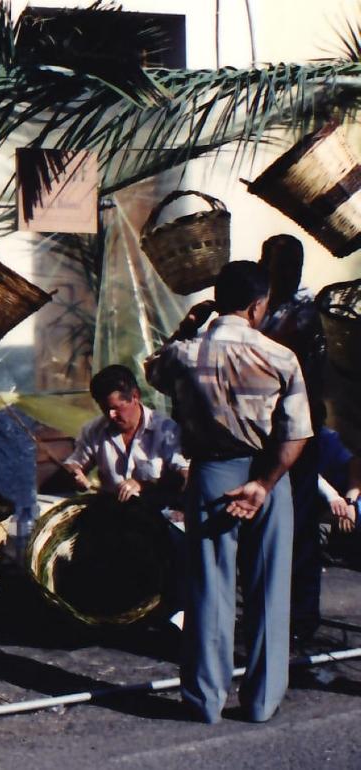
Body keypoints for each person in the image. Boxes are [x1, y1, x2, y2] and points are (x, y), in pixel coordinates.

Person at [144, 260, 313, 724]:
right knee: (268, 590)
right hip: (266, 477)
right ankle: (260, 701)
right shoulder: (280, 357)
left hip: (211, 475)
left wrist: (187, 325)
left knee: (208, 589)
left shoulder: (184, 354)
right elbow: (296, 432)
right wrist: (263, 484)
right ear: (259, 305)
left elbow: (152, 371)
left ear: (217, 301)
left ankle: (205, 701)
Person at [258, 234, 329, 641]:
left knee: (300, 522)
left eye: (291, 265)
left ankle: (301, 616)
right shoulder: (262, 309)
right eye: (277, 264)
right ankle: (269, 607)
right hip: (264, 429)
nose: (285, 273)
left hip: (299, 428)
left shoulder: (305, 314)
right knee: (266, 521)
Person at [63, 364, 189, 503]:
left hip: (158, 513)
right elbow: (75, 464)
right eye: (104, 409)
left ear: (135, 396)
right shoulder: (94, 430)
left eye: (116, 408)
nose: (111, 415)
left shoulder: (166, 430)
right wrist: (75, 473)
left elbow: (186, 476)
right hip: (113, 512)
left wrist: (143, 485)